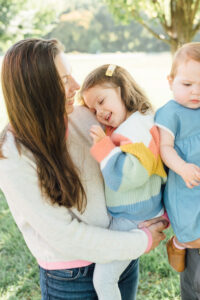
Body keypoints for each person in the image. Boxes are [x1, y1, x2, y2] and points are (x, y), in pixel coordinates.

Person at [0, 38, 168, 300]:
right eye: (64, 80)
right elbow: (66, 236)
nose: (76, 87)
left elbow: (139, 142)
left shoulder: (84, 117)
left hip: (122, 257)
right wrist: (142, 240)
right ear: (37, 89)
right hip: (73, 278)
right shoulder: (12, 155)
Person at [79, 64, 167, 300]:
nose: (98, 112)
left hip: (132, 217)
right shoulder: (134, 122)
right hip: (134, 213)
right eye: (91, 108)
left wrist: (103, 148)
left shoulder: (137, 129)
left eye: (101, 100)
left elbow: (129, 176)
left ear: (122, 89)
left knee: (103, 279)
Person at [155, 42, 200, 297]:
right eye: (187, 85)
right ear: (171, 81)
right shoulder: (170, 112)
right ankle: (180, 242)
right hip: (184, 184)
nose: (196, 92)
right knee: (192, 228)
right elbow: (165, 148)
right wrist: (182, 168)